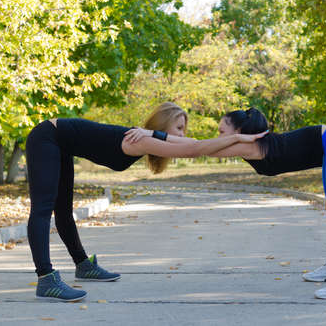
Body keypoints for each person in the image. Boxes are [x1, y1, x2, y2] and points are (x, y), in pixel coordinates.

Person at [26, 102, 267, 302]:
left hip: (61, 143)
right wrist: (238, 138)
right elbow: (195, 149)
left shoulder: (147, 136)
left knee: (64, 212)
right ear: (164, 124)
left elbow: (193, 143)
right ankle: (46, 278)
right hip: (47, 137)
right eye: (179, 127)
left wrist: (237, 140)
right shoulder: (139, 139)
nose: (182, 134)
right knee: (44, 209)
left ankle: (83, 266)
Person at [125, 107, 326, 299]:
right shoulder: (246, 143)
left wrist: (151, 134)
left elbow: (195, 149)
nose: (217, 137)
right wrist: (151, 135)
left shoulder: (247, 145)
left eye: (221, 131)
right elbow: (196, 144)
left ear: (238, 131)